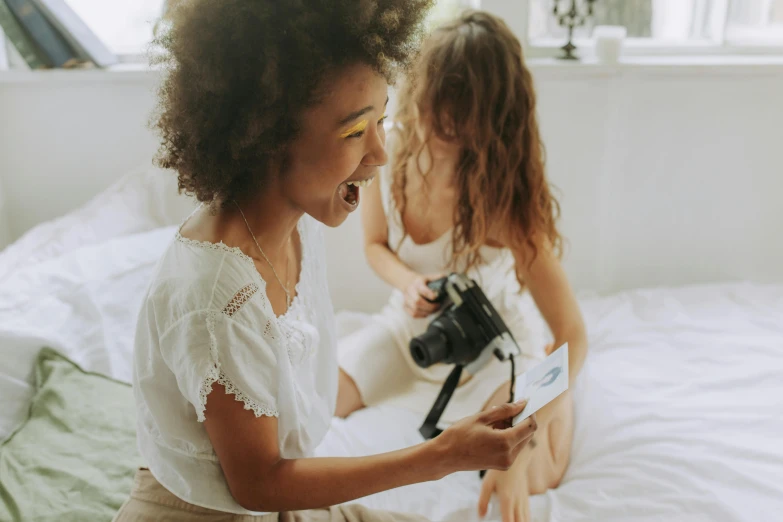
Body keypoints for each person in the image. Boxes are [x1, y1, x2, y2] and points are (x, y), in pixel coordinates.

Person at [114, 2, 539, 521]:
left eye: (382, 119)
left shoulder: (299, 223)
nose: (381, 153)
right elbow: (260, 485)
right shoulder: (216, 301)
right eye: (356, 131)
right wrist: (442, 456)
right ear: (268, 136)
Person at [336, 11, 588, 522]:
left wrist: (533, 418)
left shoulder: (505, 197)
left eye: (464, 115)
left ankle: (555, 407)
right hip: (410, 327)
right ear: (421, 95)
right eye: (438, 109)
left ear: (495, 116)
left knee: (536, 473)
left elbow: (572, 334)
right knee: (319, 399)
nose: (446, 126)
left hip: (489, 350)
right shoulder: (389, 150)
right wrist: (409, 284)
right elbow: (375, 246)